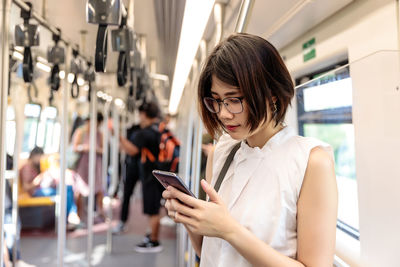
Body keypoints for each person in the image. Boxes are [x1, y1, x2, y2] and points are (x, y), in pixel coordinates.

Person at [163, 33, 338, 267]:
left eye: (234, 100)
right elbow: (209, 251)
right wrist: (190, 217)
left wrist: (229, 229)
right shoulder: (222, 152)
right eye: (216, 100)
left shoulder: (311, 162)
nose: (223, 113)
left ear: (272, 95)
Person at [119, 102, 164, 252]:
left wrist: (119, 138)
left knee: (152, 209)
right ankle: (151, 236)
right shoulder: (160, 129)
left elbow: (132, 151)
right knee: (154, 207)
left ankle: (154, 241)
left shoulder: (145, 133)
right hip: (158, 172)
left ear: (144, 115)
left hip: (150, 174)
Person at [73, 112, 104, 220]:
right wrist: (86, 148)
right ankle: (79, 215)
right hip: (82, 164)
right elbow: (75, 147)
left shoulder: (99, 134)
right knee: (79, 190)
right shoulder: (80, 132)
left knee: (99, 188)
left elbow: (103, 149)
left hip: (95, 164)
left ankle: (100, 212)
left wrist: (95, 149)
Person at [113, 123, 142, 234]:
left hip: (138, 167)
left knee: (128, 195)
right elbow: (124, 148)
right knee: (126, 195)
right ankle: (122, 221)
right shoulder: (135, 132)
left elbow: (132, 150)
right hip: (133, 167)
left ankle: (123, 222)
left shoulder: (140, 133)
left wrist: (119, 137)